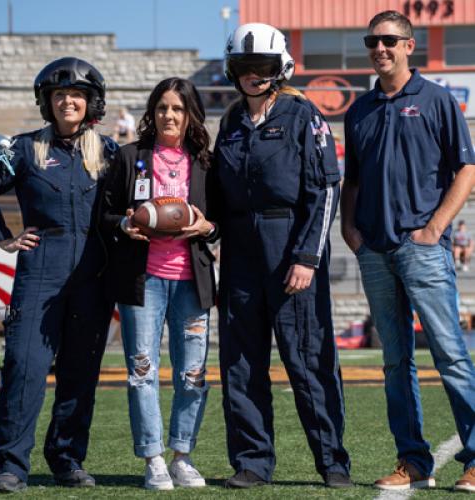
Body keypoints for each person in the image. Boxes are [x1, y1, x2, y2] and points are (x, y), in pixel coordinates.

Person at [212, 23, 351, 489]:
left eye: (263, 67)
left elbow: (325, 189)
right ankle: (252, 461)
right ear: (233, 70)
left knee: (308, 360)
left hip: (290, 248)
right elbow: (215, 192)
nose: (253, 75)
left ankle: (332, 462)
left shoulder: (303, 115)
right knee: (241, 361)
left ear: (281, 68)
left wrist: (307, 257)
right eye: (245, 67)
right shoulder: (229, 122)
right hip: (239, 256)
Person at [341, 10, 475, 493]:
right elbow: (351, 180)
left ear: (409, 45)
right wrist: (349, 231)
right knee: (396, 362)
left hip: (422, 247)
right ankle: (414, 461)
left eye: (390, 40)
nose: (380, 48)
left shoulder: (438, 101)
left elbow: (467, 169)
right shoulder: (358, 111)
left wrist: (435, 227)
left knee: (451, 356)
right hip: (373, 251)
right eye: (372, 40)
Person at [0, 57, 118, 493]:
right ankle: (12, 466)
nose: (67, 101)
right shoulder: (22, 149)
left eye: (76, 94)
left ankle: (67, 459)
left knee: (80, 371)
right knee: (24, 367)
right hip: (40, 272)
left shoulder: (109, 152)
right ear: (47, 102)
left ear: (91, 101)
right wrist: (2, 237)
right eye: (59, 95)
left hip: (93, 276)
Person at [101, 77, 216, 491]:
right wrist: (124, 224)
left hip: (191, 282)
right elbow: (106, 213)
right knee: (142, 371)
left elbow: (217, 220)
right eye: (163, 107)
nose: (170, 115)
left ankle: (182, 455)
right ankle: (153, 458)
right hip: (142, 281)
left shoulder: (204, 161)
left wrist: (207, 225)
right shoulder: (131, 156)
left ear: (190, 115)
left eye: (178, 109)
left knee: (192, 373)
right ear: (152, 112)